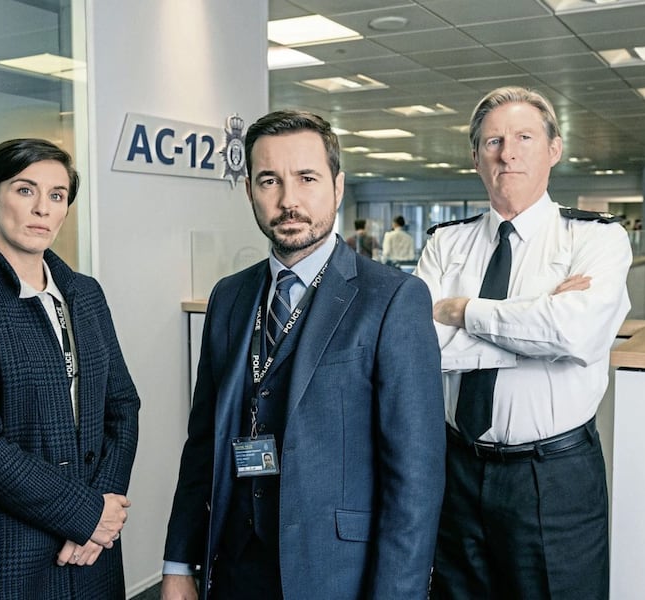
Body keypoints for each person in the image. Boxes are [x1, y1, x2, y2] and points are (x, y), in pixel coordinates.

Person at [161, 110, 445, 600]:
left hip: (336, 573)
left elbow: (415, 479)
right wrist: (178, 560)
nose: (288, 200)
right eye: (270, 180)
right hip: (235, 568)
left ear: (337, 186)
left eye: (306, 178)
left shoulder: (392, 298)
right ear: (249, 189)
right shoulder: (229, 296)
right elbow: (203, 442)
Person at [414, 86, 632, 599]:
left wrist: (462, 310)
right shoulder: (446, 242)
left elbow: (574, 330)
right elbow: (420, 348)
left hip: (553, 477)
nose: (506, 153)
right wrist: (538, 327)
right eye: (492, 141)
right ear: (475, 157)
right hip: (457, 469)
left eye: (523, 137)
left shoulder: (596, 239)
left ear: (554, 149)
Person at [0, 138, 140, 599]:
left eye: (57, 196)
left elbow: (122, 405)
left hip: (91, 548)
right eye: (25, 190)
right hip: (1, 547)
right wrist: (86, 514)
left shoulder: (85, 293)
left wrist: (106, 506)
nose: (43, 208)